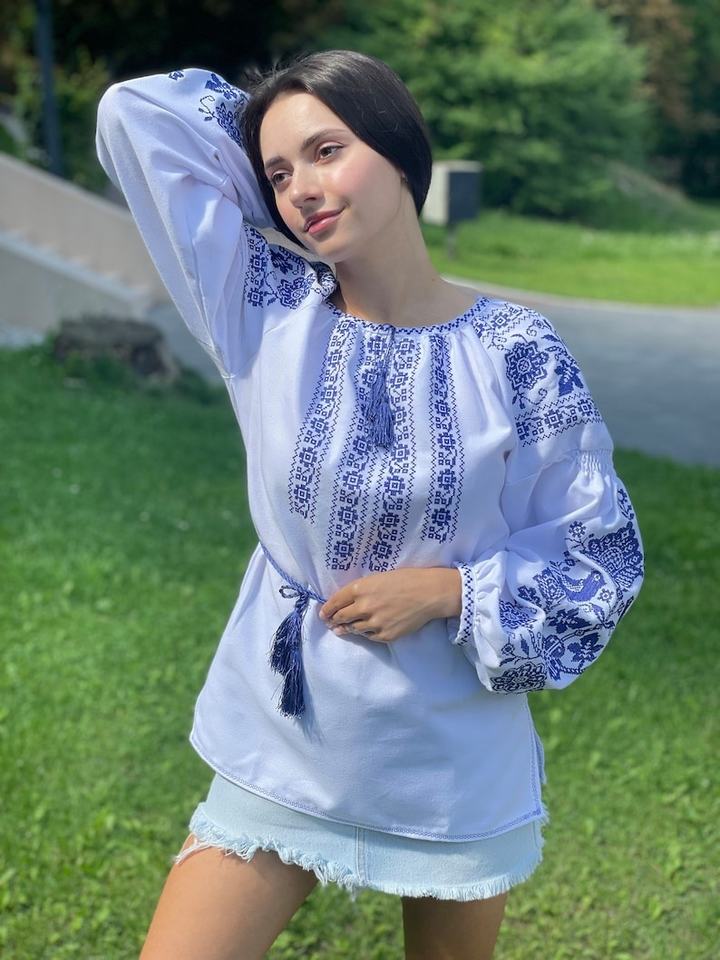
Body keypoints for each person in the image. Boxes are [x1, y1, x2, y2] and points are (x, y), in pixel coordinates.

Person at [95, 48, 645, 960]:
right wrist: (268, 118)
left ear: (398, 151)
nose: (301, 190)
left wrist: (449, 591)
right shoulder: (263, 312)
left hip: (448, 764)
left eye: (327, 151)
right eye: (278, 174)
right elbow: (134, 112)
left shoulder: (518, 351)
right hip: (284, 738)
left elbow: (598, 552)